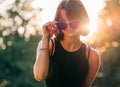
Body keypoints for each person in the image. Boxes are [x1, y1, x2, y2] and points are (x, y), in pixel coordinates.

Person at [33, 0, 101, 87]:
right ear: (57, 23)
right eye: (63, 23)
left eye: (73, 23)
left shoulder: (92, 55)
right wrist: (45, 37)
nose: (68, 26)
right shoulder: (48, 45)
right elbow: (39, 76)